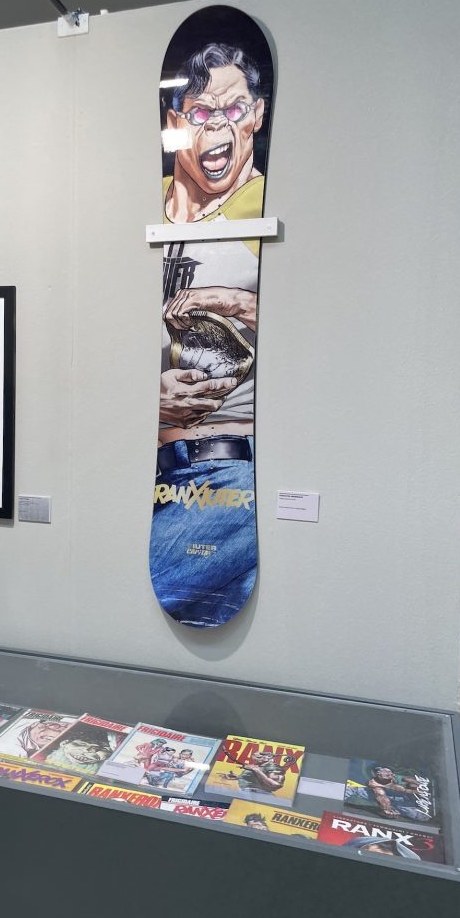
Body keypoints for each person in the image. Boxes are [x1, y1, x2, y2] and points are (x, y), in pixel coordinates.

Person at [151, 41, 269, 627]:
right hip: (147, 468)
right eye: (201, 111)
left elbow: (325, 329)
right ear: (176, 122)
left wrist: (233, 301)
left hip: (227, 467)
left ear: (258, 115)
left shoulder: (263, 206)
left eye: (234, 109)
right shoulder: (146, 212)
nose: (218, 126)